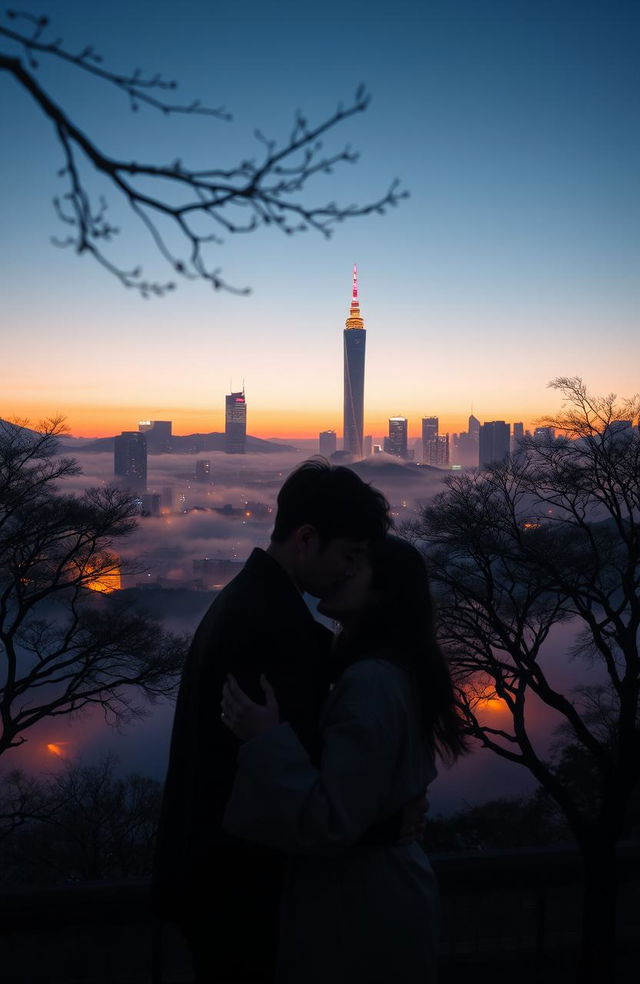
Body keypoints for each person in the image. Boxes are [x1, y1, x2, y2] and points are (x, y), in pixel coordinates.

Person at [152, 459, 426, 984]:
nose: (347, 571)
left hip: (214, 878)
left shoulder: (251, 602)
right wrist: (383, 825)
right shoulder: (272, 626)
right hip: (240, 889)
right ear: (305, 538)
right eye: (347, 555)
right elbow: (290, 783)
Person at [220, 534, 468, 984]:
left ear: (383, 593)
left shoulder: (371, 682)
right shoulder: (386, 669)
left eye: (357, 567)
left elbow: (330, 821)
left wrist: (266, 739)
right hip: (377, 900)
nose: (341, 573)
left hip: (365, 911)